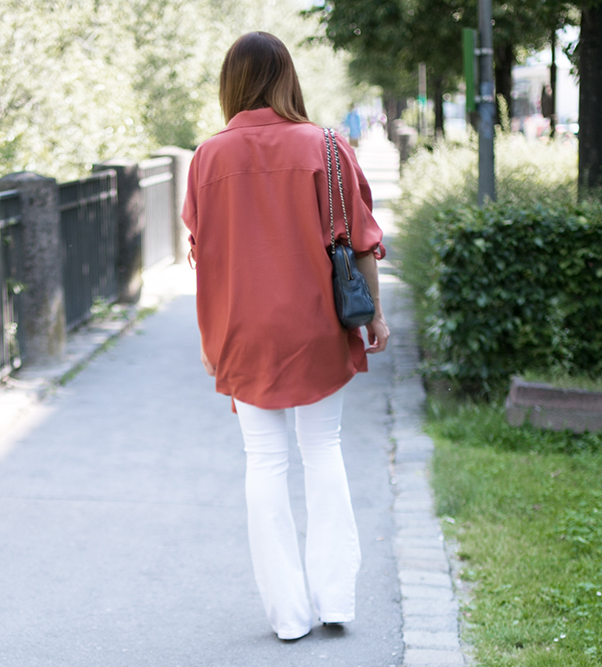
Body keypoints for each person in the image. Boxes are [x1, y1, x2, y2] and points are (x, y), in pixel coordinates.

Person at [181, 32, 389, 641]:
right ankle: (335, 600)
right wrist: (372, 313)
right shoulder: (326, 145)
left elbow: (203, 250)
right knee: (323, 450)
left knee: (264, 462)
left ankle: (289, 616)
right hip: (318, 324)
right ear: (287, 78)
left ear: (231, 84)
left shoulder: (207, 157)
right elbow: (361, 240)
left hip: (243, 331)